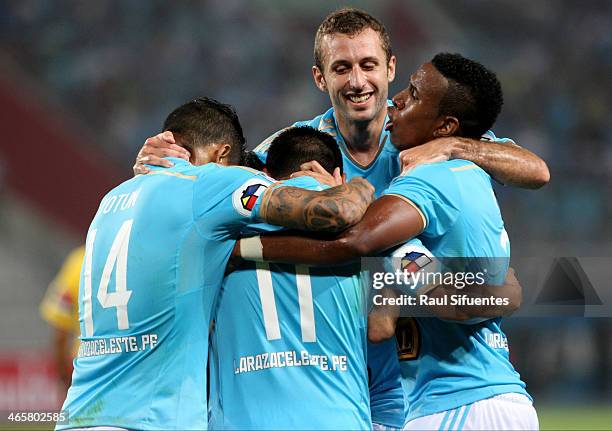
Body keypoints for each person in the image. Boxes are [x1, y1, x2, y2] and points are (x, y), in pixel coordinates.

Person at [133, 8, 548, 429]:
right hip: (339, 377)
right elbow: (219, 187)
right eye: (341, 68)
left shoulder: (427, 134)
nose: (357, 81)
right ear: (320, 78)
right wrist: (167, 163)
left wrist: (461, 148)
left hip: (420, 380)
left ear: (389, 68)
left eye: (368, 65)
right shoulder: (294, 150)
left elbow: (536, 171)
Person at [235, 53, 539, 430]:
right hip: (466, 395)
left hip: (460, 400)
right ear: (320, 77)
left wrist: (339, 202)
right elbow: (389, 316)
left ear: (446, 127)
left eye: (412, 94)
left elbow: (359, 241)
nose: (397, 99)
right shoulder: (460, 175)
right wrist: (496, 293)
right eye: (341, 67)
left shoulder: (432, 179)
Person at [57, 97, 374, 430]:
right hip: (151, 419)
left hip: (80, 413)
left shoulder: (111, 201)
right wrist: (359, 185)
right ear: (222, 155)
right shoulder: (209, 184)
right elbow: (335, 211)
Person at [209, 126, 372, 430]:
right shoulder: (370, 230)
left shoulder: (221, 231)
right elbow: (383, 326)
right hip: (338, 420)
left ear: (266, 175)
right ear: (340, 176)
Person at [40, 245, 85, 393]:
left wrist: (63, 378)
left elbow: (60, 334)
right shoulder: (135, 255)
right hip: (130, 366)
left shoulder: (78, 261)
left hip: (85, 365)